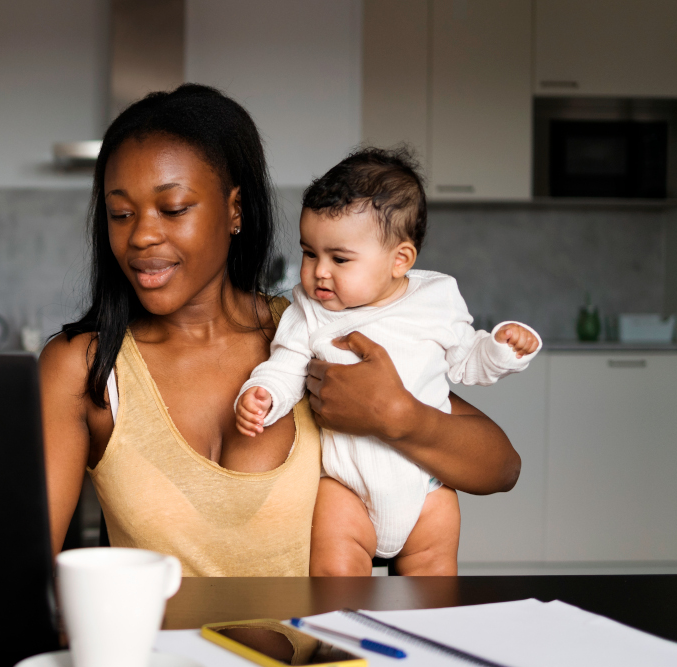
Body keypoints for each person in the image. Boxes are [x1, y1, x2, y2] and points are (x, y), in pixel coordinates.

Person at [40, 84, 522, 577]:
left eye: (174, 208)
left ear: (235, 210)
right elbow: (24, 573)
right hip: (167, 656)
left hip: (321, 656)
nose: (140, 235)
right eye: (120, 214)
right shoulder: (83, 366)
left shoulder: (315, 328)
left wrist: (397, 417)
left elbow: (501, 468)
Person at [235, 147, 541, 577]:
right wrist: (263, 394)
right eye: (309, 253)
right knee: (337, 581)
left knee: (432, 586)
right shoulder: (309, 309)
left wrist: (501, 349)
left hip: (428, 487)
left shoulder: (435, 299)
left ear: (400, 260)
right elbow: (286, 363)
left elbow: (467, 362)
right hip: (347, 489)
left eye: (339, 259)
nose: (319, 272)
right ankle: (341, 635)